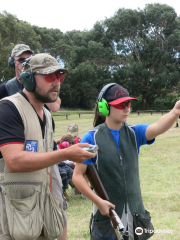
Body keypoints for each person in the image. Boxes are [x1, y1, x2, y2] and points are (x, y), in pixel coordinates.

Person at [0, 53, 97, 240]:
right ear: (27, 79)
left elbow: (49, 169)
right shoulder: (8, 109)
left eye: (59, 77)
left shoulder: (47, 115)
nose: (57, 82)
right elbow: (14, 161)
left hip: (42, 216)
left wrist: (56, 206)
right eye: (49, 76)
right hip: (14, 220)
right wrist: (65, 154)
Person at [72, 83, 180, 240]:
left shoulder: (135, 133)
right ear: (104, 107)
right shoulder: (91, 138)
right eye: (121, 104)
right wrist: (98, 202)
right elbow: (77, 176)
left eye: (128, 103)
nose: (126, 108)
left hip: (136, 217)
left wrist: (176, 111)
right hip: (107, 217)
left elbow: (157, 127)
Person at [0, 44, 61, 112]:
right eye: (21, 60)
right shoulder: (5, 88)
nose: (25, 63)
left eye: (29, 59)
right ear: (12, 62)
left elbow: (55, 107)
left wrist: (34, 84)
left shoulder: (42, 83)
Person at [56, 134, 75, 200]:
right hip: (56, 164)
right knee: (63, 173)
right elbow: (62, 159)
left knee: (70, 172)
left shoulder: (66, 147)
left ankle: (65, 189)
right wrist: (72, 163)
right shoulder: (56, 147)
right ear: (64, 143)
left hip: (63, 164)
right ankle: (62, 190)